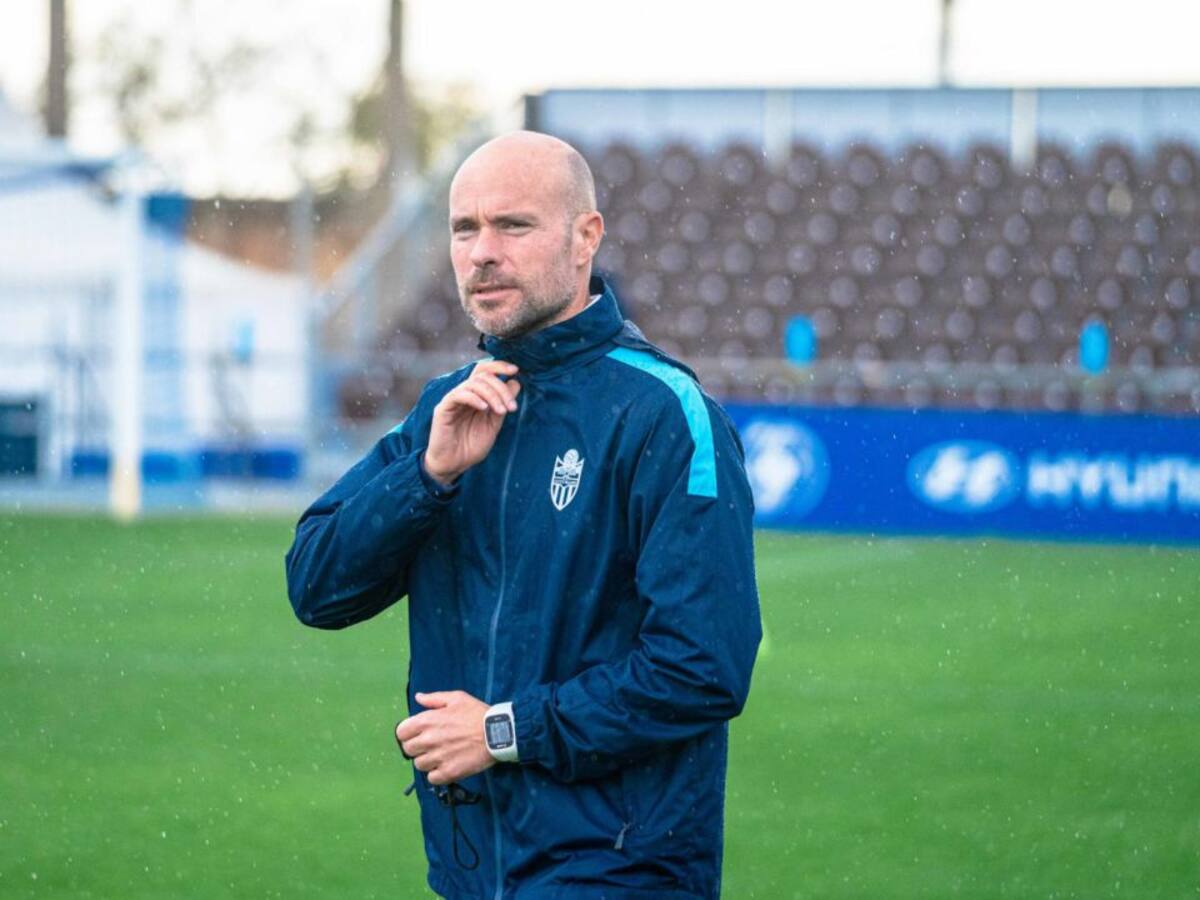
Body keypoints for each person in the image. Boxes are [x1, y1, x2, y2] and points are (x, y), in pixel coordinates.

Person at [285, 130, 761, 899]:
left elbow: (702, 668)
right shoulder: (447, 408)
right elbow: (316, 587)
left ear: (585, 238)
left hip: (618, 867)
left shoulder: (663, 414)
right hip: (473, 870)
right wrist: (429, 477)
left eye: (513, 226)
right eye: (464, 229)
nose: (482, 252)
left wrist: (503, 731)